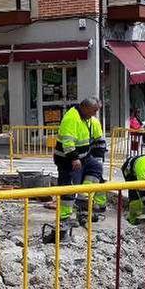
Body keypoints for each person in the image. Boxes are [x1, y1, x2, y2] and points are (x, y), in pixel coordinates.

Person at [44, 98, 107, 243]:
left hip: (84, 158)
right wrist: (74, 158)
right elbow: (67, 142)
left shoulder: (91, 120)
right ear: (85, 108)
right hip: (67, 160)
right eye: (94, 110)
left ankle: (83, 204)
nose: (95, 114)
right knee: (69, 188)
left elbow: (99, 141)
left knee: (96, 168)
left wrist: (98, 158)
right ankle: (65, 218)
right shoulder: (71, 118)